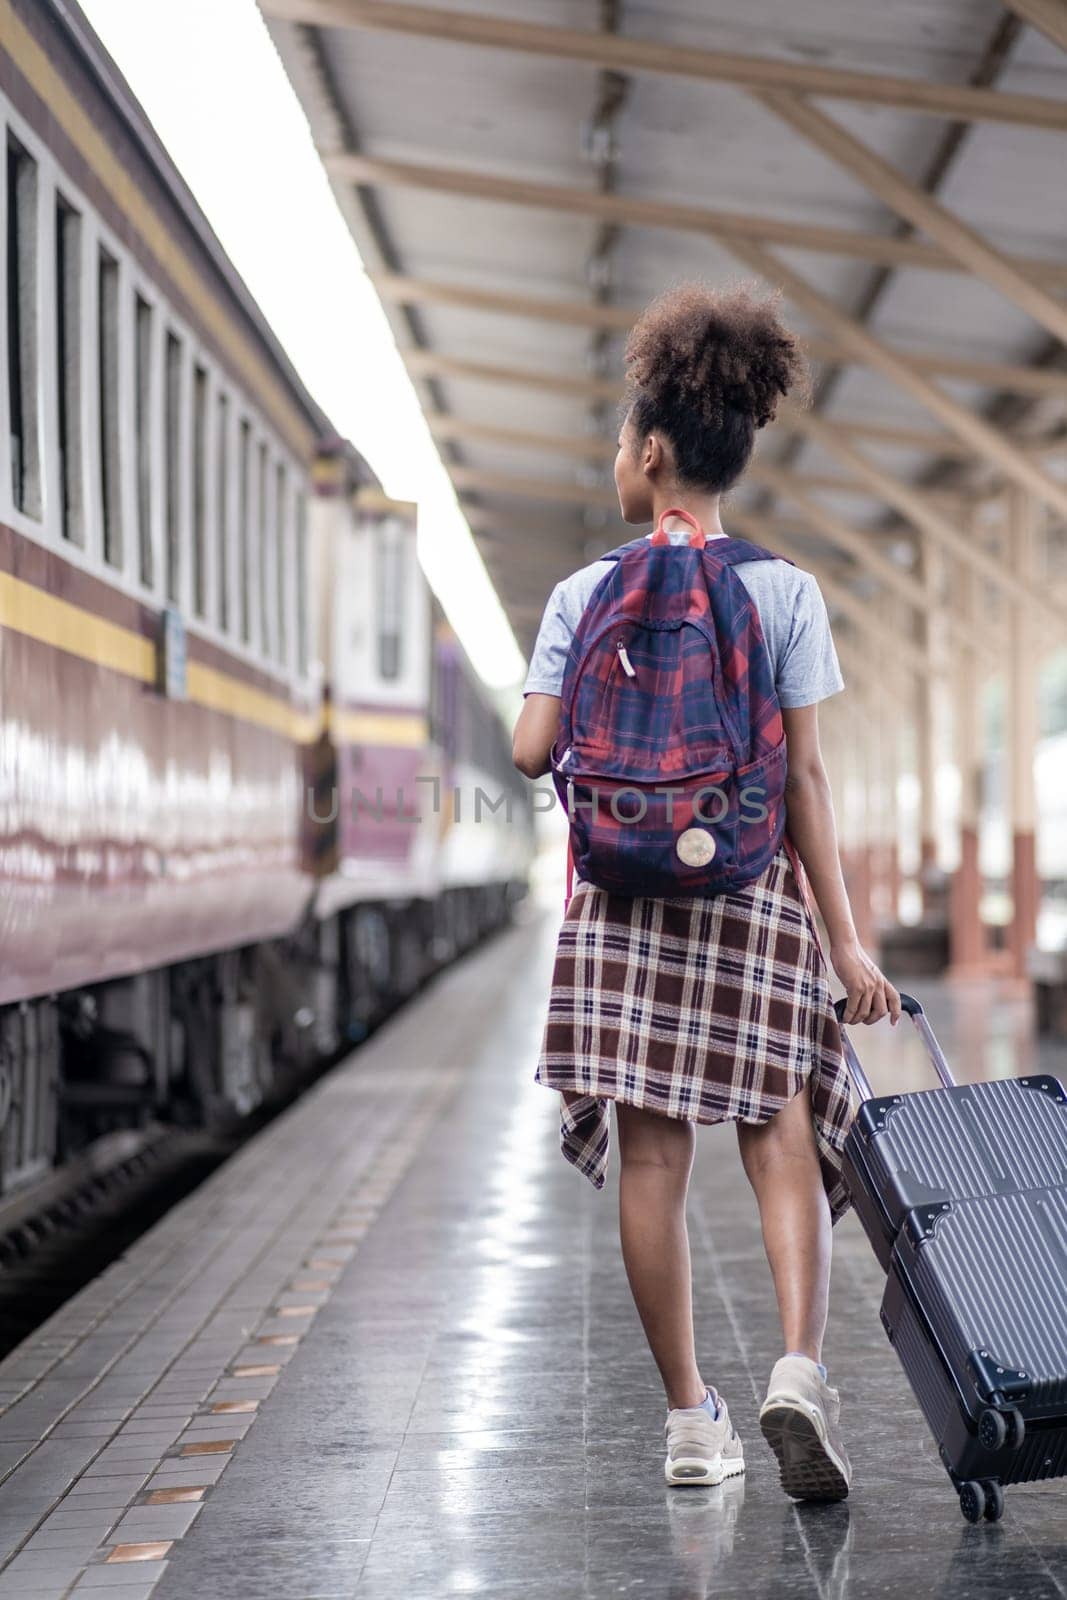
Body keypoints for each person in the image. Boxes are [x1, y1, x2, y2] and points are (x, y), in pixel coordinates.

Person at [512, 282, 901, 1501]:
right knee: (777, 1126)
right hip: (745, 899)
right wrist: (843, 944)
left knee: (650, 1160)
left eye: (621, 444)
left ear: (649, 451)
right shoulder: (785, 592)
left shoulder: (584, 595)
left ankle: (691, 1419)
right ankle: (795, 1367)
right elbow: (804, 784)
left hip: (621, 911)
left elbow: (530, 753)